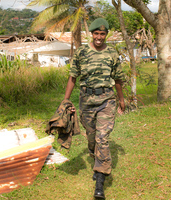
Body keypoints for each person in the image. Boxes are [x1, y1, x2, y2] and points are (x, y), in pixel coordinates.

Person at [64, 18, 125, 199]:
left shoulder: (112, 54)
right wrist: (65, 101)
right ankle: (96, 160)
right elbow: (73, 77)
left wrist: (121, 99)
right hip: (87, 101)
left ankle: (100, 180)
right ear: (92, 34)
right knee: (92, 139)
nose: (99, 37)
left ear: (106, 35)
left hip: (107, 100)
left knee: (102, 138)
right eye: (96, 34)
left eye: (103, 34)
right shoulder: (82, 52)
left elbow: (119, 79)